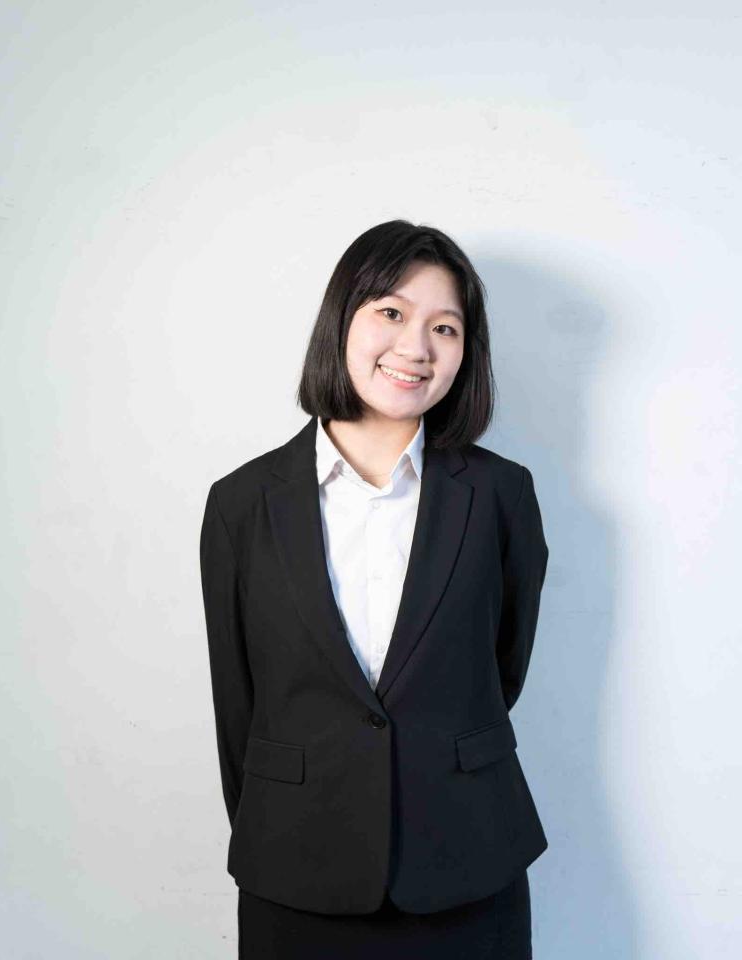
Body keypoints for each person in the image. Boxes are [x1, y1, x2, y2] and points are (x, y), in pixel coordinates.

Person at [199, 219, 550, 958]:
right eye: (391, 312)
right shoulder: (241, 503)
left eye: (445, 328)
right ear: (342, 319)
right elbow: (239, 703)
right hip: (297, 865)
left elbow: (500, 670)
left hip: (467, 859)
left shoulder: (501, 496)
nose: (416, 347)